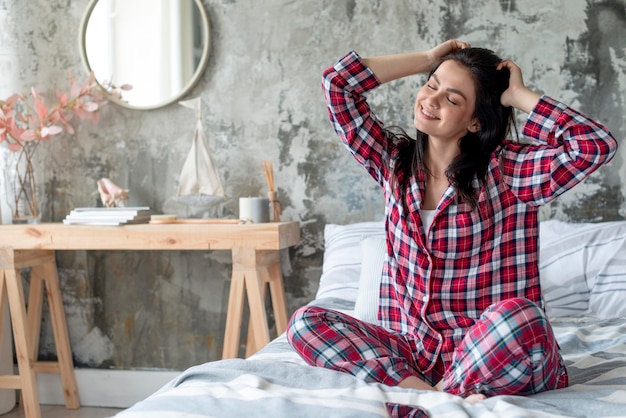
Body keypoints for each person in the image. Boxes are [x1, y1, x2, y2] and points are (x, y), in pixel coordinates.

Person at [286, 40, 618, 417]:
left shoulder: (509, 172)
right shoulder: (393, 164)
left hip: (496, 349)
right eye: (432, 86)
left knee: (520, 316)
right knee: (306, 322)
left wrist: (520, 95)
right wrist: (427, 61)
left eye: (453, 99)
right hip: (416, 354)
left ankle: (423, 400)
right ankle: (432, 396)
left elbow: (594, 145)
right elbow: (338, 84)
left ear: (475, 121)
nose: (432, 100)